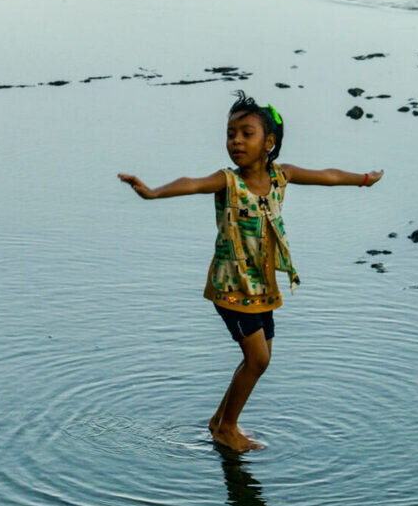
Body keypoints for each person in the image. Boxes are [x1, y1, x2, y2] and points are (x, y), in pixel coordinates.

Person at [117, 93, 382, 453]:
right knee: (258, 359)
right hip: (231, 286)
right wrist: (152, 192)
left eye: (246, 133)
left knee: (257, 359)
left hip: (262, 284)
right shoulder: (228, 181)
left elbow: (327, 175)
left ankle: (220, 421)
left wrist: (363, 179)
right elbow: (191, 183)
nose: (236, 142)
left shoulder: (280, 175)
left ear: (269, 143)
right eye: (230, 134)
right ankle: (227, 429)